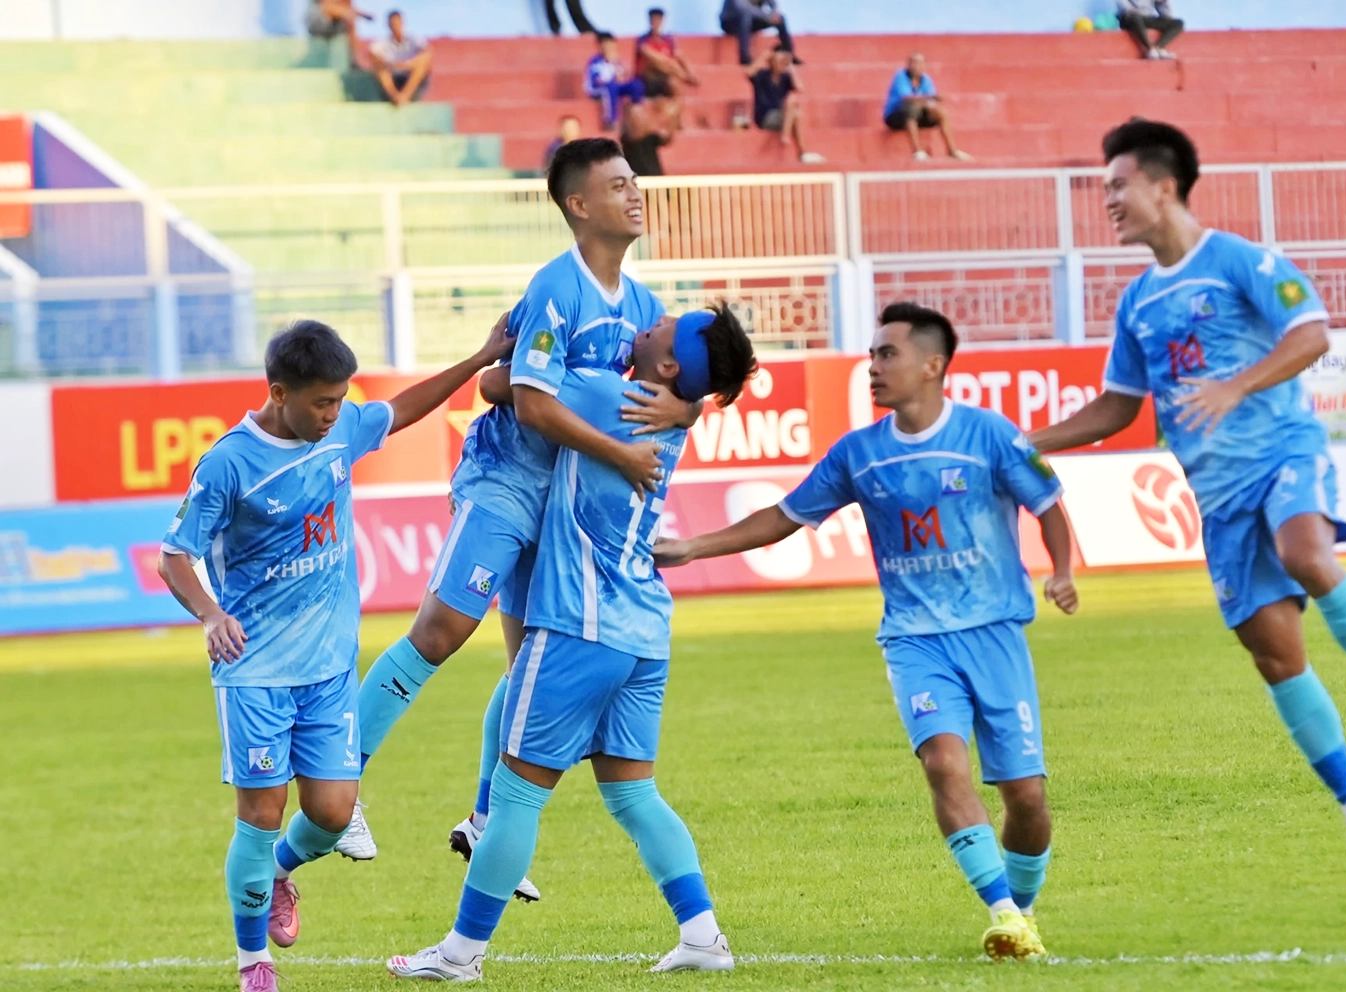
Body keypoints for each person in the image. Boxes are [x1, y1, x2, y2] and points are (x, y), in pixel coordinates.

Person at [1029, 119, 1346, 891]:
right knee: (1276, 658)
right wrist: (1030, 442)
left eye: (1117, 186)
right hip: (1216, 500)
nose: (1108, 201)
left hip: (1283, 454)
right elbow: (1118, 408)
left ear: (1163, 185)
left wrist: (1236, 384)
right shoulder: (1138, 303)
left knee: (1307, 554)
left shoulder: (1244, 260)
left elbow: (1311, 332)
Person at [654, 302, 1077, 961]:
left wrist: (1062, 571)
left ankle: (1020, 908)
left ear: (932, 366)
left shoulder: (990, 435)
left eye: (888, 354)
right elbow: (784, 515)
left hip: (994, 633)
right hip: (914, 640)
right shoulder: (860, 454)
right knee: (942, 761)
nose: (872, 365)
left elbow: (1047, 502)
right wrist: (694, 546)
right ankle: (1000, 910)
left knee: (1026, 797)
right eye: (872, 353)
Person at [348, 137, 697, 871]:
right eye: (618, 185)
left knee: (528, 663)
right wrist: (620, 452)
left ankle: (483, 819)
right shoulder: (556, 288)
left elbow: (666, 395)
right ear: (579, 205)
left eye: (636, 183)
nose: (636, 194)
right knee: (442, 631)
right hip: (506, 479)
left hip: (560, 505)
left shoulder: (645, 306)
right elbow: (524, 402)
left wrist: (683, 414)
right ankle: (340, 783)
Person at [387, 305, 760, 981]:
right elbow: (686, 401)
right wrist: (690, 409)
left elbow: (502, 390)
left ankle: (461, 954)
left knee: (517, 793)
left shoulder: (599, 392)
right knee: (633, 795)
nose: (650, 322)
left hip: (580, 625)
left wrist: (509, 350)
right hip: (644, 627)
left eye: (663, 329)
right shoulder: (667, 409)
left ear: (669, 366)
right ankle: (703, 934)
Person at [156, 316, 513, 992]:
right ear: (279, 392)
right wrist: (210, 615)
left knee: (328, 813)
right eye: (322, 401)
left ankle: (283, 875)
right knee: (259, 817)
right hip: (255, 670)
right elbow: (175, 555)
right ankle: (252, 963)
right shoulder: (230, 463)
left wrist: (479, 358)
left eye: (340, 400)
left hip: (327, 670)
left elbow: (401, 409)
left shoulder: (342, 428)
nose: (334, 414)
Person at [883, 53, 972, 162]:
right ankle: (917, 151)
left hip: (919, 112)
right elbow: (907, 98)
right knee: (911, 109)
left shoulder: (926, 79)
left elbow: (931, 99)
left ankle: (952, 150)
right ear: (908, 64)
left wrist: (932, 104)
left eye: (920, 63)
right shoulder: (900, 76)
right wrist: (929, 99)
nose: (917, 66)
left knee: (940, 112)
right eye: (914, 63)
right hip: (896, 115)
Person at [747, 46, 824, 165]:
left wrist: (792, 69)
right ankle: (789, 139)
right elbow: (749, 73)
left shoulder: (786, 77)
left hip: (783, 116)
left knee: (796, 110)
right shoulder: (763, 75)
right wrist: (763, 57)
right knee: (793, 106)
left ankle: (799, 149)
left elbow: (799, 88)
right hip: (766, 117)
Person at [370, 9, 433, 106]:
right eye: (393, 24)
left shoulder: (414, 40)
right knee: (379, 66)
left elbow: (427, 53)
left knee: (423, 63)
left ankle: (405, 95)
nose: (396, 26)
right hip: (394, 78)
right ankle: (395, 96)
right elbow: (372, 54)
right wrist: (392, 64)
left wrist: (409, 64)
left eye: (398, 23)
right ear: (388, 25)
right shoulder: (383, 43)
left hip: (410, 78)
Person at [585, 33, 646, 130]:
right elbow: (598, 80)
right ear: (600, 46)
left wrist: (613, 64)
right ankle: (611, 121)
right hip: (598, 89)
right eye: (606, 45)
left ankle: (636, 113)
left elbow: (621, 78)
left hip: (615, 86)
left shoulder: (616, 60)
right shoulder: (595, 61)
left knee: (636, 85)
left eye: (611, 44)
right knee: (610, 87)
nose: (609, 48)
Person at [637, 8, 699, 102]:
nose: (655, 23)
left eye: (658, 20)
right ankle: (685, 78)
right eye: (653, 20)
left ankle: (678, 111)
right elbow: (651, 56)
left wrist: (690, 71)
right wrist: (674, 67)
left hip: (666, 76)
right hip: (649, 79)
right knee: (658, 62)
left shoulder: (668, 40)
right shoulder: (643, 40)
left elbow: (679, 55)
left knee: (674, 83)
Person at [720, 0, 795, 67]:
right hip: (730, 22)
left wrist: (774, 14)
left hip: (751, 20)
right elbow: (743, 8)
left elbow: (773, 4)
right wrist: (767, 16)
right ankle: (745, 59)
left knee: (780, 18)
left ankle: (788, 55)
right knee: (745, 16)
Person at [1117, 0, 1184, 60]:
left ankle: (1158, 48)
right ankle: (1150, 49)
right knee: (1135, 18)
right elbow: (1125, 9)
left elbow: (1167, 16)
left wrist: (1164, 3)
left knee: (1178, 23)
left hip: (1147, 19)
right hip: (1130, 18)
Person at [306, 0, 373, 39]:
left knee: (349, 21)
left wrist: (363, 14)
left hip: (336, 28)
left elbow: (349, 10)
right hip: (319, 22)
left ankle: (354, 57)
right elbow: (328, 7)